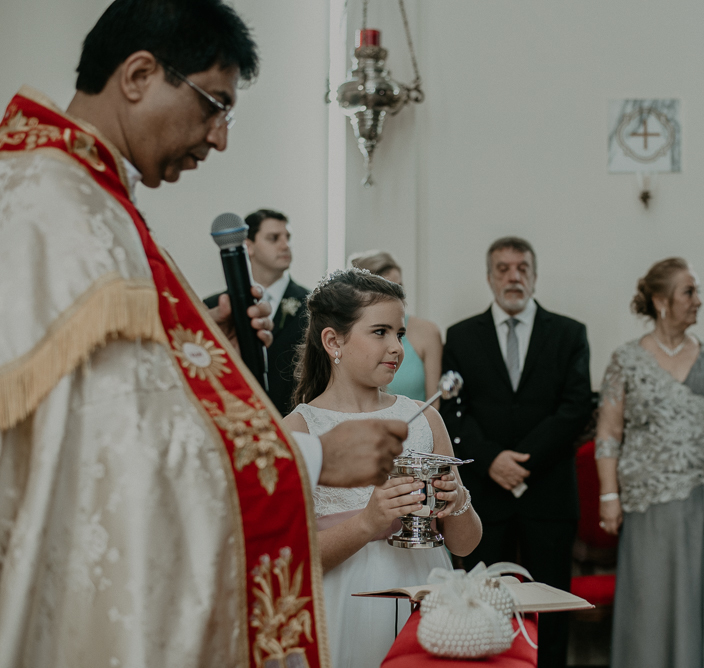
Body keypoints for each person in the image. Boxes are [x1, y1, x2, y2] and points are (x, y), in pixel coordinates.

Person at [0, 2, 404, 666]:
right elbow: (116, 454)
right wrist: (313, 460)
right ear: (137, 75)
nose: (219, 138)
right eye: (214, 106)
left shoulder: (67, 189)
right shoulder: (64, 210)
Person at [283, 268, 482, 668]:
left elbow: (465, 544)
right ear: (333, 341)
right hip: (343, 600)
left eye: (400, 334)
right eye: (380, 332)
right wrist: (366, 524)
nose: (396, 347)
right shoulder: (299, 430)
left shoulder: (424, 420)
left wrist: (457, 501)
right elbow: (291, 563)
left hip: (425, 588)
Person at [595, 257, 704, 668]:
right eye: (690, 291)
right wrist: (609, 496)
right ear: (661, 300)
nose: (698, 301)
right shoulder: (626, 359)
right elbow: (608, 435)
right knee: (654, 599)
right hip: (651, 506)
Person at [440, 236, 592, 668]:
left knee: (551, 603)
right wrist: (491, 461)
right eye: (503, 268)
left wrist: (522, 461)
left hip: (548, 491)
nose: (513, 276)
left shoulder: (568, 333)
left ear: (535, 276)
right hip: (484, 497)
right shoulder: (461, 336)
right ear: (489, 277)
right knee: (482, 599)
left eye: (522, 268)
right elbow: (454, 410)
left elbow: (576, 406)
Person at [206, 209, 309, 415]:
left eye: (287, 237)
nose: (285, 245)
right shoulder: (212, 306)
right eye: (274, 238)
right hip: (235, 415)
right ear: (248, 246)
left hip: (295, 421)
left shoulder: (312, 305)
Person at [349, 249, 443, 406]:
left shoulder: (427, 332)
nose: (396, 296)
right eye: (386, 288)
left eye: (399, 287)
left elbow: (434, 403)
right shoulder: (353, 334)